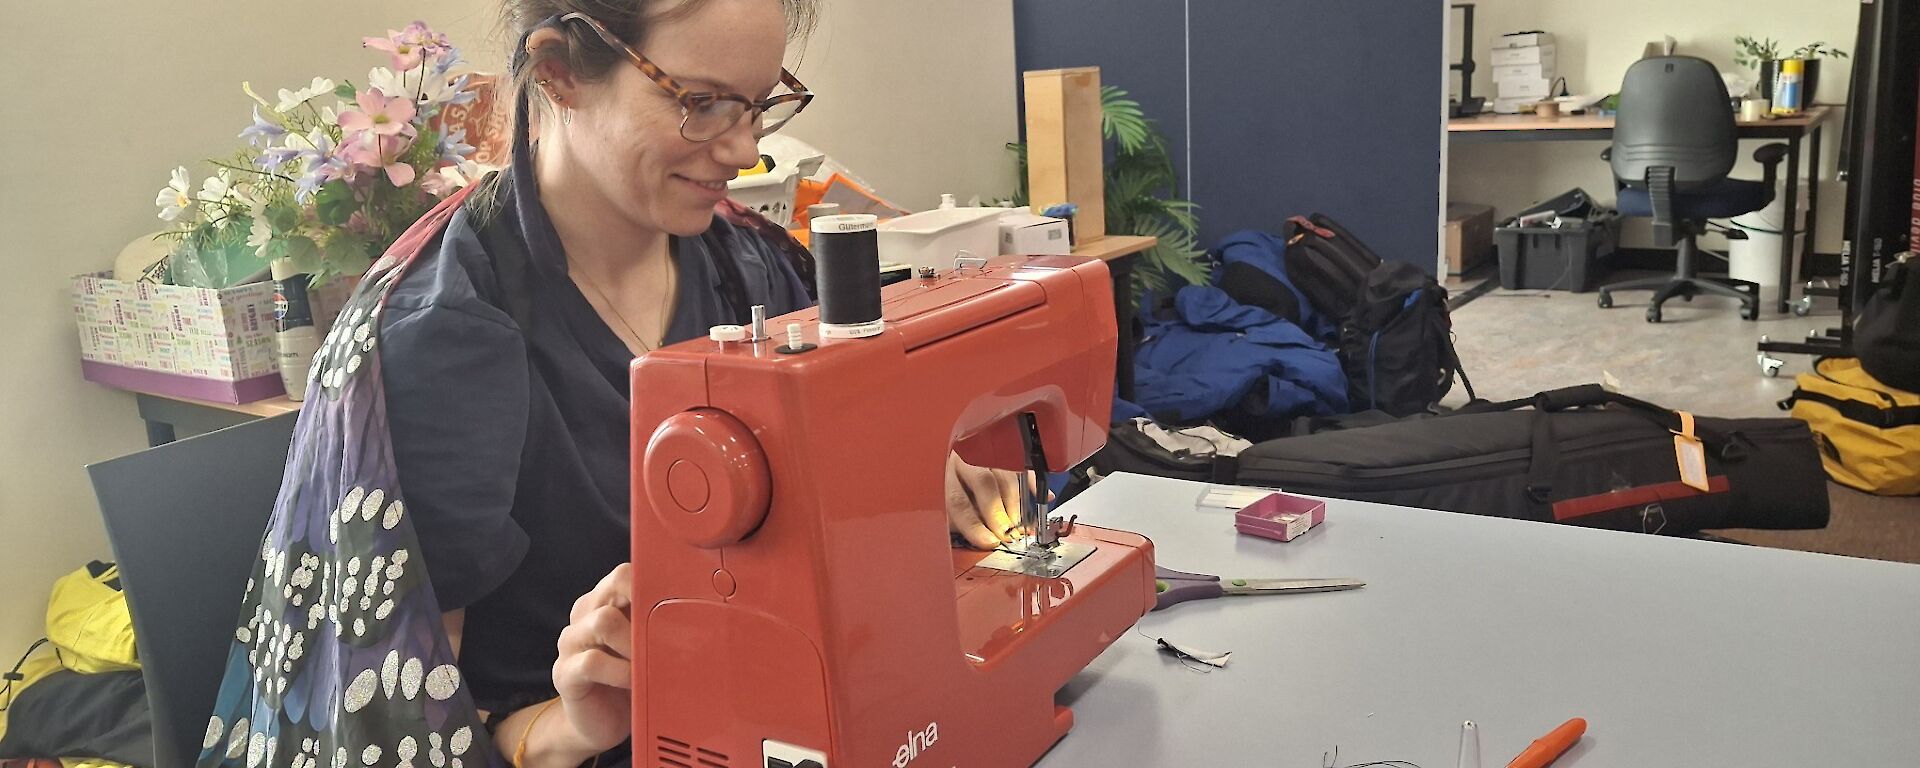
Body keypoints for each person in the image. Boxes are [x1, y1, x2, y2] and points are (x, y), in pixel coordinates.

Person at [198, 2, 1029, 766]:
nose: (745, 150)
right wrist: (570, 726)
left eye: (757, 105)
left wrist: (912, 483)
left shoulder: (750, 267)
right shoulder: (444, 340)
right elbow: (404, 731)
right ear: (558, 71)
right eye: (702, 103)